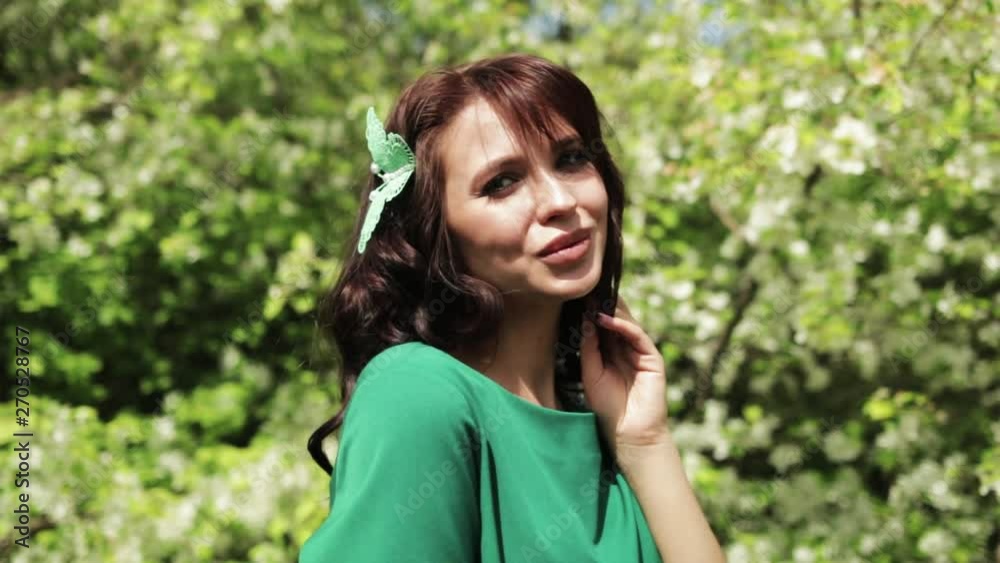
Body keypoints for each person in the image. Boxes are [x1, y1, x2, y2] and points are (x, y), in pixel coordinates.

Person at [300, 53, 725, 563]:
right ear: (434, 229)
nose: (559, 201)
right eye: (502, 183)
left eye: (571, 159)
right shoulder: (417, 394)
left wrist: (646, 441)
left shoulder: (606, 424)